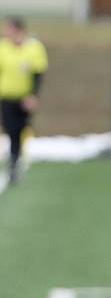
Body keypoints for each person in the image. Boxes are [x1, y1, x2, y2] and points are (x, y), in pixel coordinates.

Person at [0, 17, 48, 184]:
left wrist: (33, 95)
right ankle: (15, 158)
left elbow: (38, 72)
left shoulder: (33, 47)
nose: (5, 32)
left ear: (18, 30)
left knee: (20, 128)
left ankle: (17, 158)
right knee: (10, 128)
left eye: (8, 29)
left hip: (24, 97)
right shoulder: (3, 47)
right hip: (6, 96)